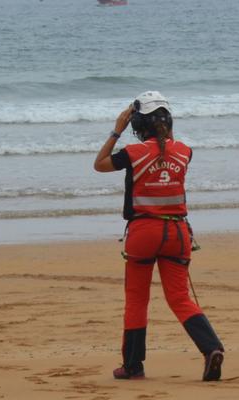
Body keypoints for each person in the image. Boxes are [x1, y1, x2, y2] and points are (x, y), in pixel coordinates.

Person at [93, 92, 225, 381]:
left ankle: (133, 365)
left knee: (137, 300)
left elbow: (99, 164)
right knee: (179, 298)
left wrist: (117, 129)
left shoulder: (134, 153)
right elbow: (167, 151)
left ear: (139, 124)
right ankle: (211, 348)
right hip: (177, 233)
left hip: (144, 233)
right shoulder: (185, 152)